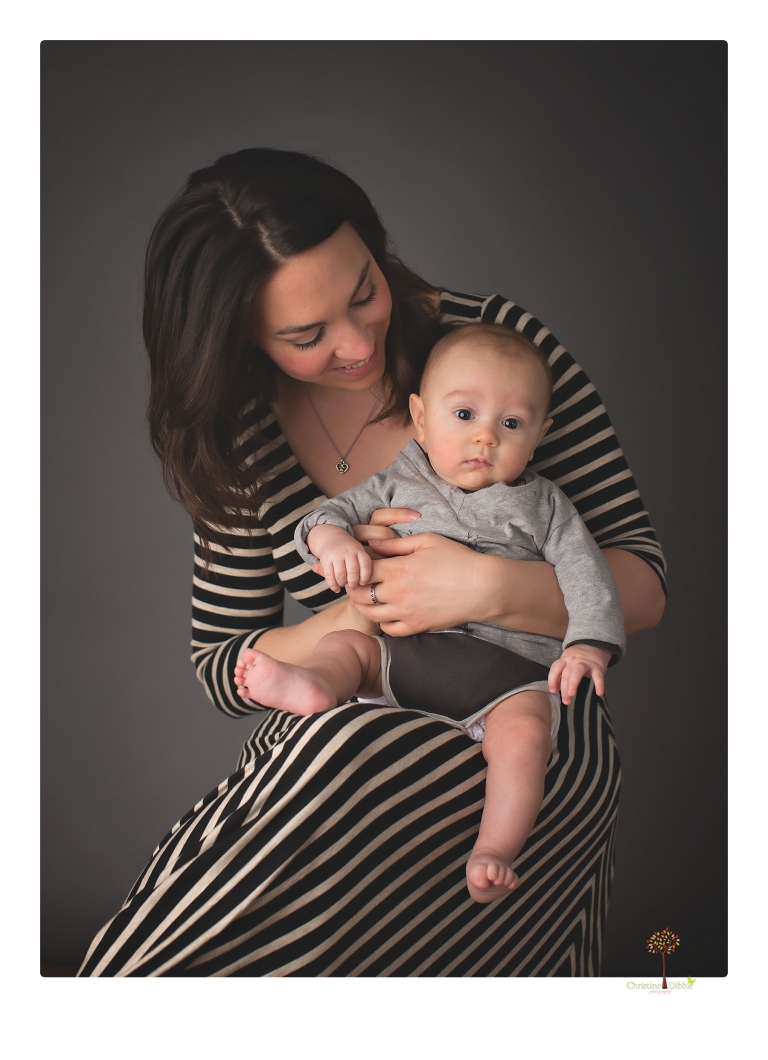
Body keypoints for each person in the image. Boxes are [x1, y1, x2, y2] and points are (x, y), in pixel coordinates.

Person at [78, 147, 666, 977]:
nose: (357, 344)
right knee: (327, 757)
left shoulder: (494, 355)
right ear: (237, 336)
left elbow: (642, 586)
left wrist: (487, 586)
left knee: (343, 757)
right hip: (355, 716)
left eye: (364, 292)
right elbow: (220, 666)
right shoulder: (241, 431)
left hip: (519, 721)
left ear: (377, 246)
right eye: (306, 335)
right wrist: (358, 609)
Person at [236, 322, 627, 905]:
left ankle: (494, 849)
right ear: (421, 418)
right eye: (464, 415)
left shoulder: (544, 505)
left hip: (506, 674)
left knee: (525, 738)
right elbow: (328, 514)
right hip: (406, 655)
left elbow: (588, 575)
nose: (485, 439)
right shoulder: (401, 478)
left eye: (511, 424)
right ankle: (315, 685)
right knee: (349, 649)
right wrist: (334, 543)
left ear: (541, 434)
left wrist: (589, 643)